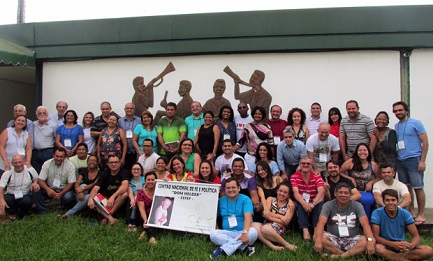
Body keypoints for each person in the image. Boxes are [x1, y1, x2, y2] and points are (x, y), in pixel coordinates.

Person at [314, 182, 376, 259]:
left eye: (346, 193)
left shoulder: (357, 205)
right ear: (335, 194)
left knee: (367, 240)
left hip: (352, 238)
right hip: (334, 238)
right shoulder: (328, 205)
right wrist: (318, 241)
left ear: (350, 195)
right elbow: (321, 223)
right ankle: (348, 255)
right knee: (317, 236)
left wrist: (370, 240)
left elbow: (365, 224)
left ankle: (339, 256)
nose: (343, 195)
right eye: (340, 192)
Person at [393, 101, 429, 225]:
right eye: (396, 111)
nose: (398, 113)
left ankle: (421, 214)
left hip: (414, 159)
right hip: (401, 159)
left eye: (400, 110)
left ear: (406, 111)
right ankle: (411, 211)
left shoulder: (416, 123)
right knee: (407, 188)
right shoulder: (397, 126)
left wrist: (423, 161)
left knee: (418, 187)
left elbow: (425, 142)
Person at [372, 189, 433, 261]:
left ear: (397, 201)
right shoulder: (377, 213)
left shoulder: (405, 213)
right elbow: (376, 236)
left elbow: (416, 236)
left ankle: (394, 258)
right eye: (387, 200)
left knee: (428, 250)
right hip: (385, 244)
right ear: (384, 202)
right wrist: (392, 244)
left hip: (401, 246)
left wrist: (411, 245)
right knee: (378, 249)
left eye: (393, 200)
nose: (390, 203)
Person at [209, 177, 258, 258]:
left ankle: (223, 250)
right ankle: (243, 247)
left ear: (239, 188)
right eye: (228, 188)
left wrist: (245, 233)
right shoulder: (220, 201)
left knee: (253, 232)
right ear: (225, 189)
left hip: (243, 232)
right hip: (227, 233)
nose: (231, 190)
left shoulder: (246, 199)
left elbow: (248, 216)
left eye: (233, 187)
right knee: (213, 234)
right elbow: (213, 216)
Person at [252, 181, 297, 251]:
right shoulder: (270, 199)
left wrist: (270, 218)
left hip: (279, 228)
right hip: (266, 225)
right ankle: (273, 246)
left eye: (285, 192)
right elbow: (266, 213)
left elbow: (286, 222)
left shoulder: (290, 205)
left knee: (265, 229)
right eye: (280, 191)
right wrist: (281, 217)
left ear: (288, 195)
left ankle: (287, 244)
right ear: (277, 191)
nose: (282, 194)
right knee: (253, 225)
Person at [340, 143, 380, 219]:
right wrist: (349, 178)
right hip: (353, 190)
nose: (362, 152)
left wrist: (371, 182)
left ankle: (366, 221)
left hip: (366, 191)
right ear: (357, 152)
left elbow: (379, 177)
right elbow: (340, 172)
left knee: (369, 200)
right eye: (360, 150)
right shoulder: (351, 162)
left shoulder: (372, 164)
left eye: (365, 150)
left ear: (368, 152)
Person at [88, 155, 129, 226]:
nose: (113, 164)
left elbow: (125, 186)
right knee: (93, 198)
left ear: (120, 163)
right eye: (111, 162)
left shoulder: (124, 172)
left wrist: (113, 197)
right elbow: (95, 188)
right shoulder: (104, 174)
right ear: (108, 164)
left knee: (125, 194)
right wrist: (90, 199)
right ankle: (110, 218)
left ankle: (107, 217)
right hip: (105, 201)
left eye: (116, 162)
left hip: (117, 200)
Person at [291, 156, 325, 241]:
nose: (305, 165)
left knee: (319, 202)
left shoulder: (317, 176)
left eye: (308, 163)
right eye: (303, 163)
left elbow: (321, 191)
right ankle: (305, 230)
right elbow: (295, 192)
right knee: (299, 202)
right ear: (300, 165)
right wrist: (304, 203)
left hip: (315, 200)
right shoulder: (294, 176)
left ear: (312, 165)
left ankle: (316, 229)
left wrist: (313, 203)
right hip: (303, 200)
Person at [33, 147, 76, 214]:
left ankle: (63, 207)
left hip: (63, 190)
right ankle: (43, 211)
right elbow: (40, 179)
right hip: (49, 188)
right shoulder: (47, 163)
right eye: (57, 156)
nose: (59, 159)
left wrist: (60, 194)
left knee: (68, 197)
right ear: (53, 156)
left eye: (61, 157)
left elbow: (71, 183)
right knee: (35, 189)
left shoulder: (70, 165)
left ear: (65, 157)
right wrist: (48, 189)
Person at [235, 106, 274, 172]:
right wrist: (230, 151)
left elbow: (271, 144)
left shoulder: (267, 127)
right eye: (255, 113)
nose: (257, 115)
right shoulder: (247, 126)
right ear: (253, 114)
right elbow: (241, 141)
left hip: (263, 157)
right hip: (251, 157)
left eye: (259, 114)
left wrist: (271, 158)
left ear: (263, 115)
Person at [0, 154, 39, 219]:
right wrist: (1, 200)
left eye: (20, 162)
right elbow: (1, 187)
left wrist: (35, 183)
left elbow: (36, 180)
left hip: (25, 194)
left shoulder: (30, 170)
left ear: (23, 162)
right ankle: (12, 213)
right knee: (6, 199)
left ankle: (22, 215)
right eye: (15, 163)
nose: (18, 164)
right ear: (12, 164)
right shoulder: (7, 172)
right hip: (11, 194)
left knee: (27, 201)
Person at [32, 106, 57, 173]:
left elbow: (56, 139)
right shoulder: (33, 124)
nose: (42, 115)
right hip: (35, 152)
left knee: (48, 171)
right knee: (36, 172)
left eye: (44, 113)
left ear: (47, 114)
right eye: (40, 113)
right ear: (37, 115)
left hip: (48, 152)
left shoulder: (53, 125)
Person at [118, 102, 142, 171]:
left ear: (134, 110)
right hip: (124, 150)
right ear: (124, 109)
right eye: (127, 108)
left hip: (137, 150)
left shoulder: (139, 120)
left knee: (137, 169)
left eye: (131, 108)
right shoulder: (120, 121)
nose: (129, 110)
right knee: (125, 170)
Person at [137, 171, 158, 245]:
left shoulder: (160, 191)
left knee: (154, 217)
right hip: (143, 215)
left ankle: (145, 232)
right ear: (145, 181)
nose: (150, 182)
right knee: (150, 219)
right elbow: (141, 208)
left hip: (156, 215)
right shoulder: (140, 193)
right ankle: (151, 237)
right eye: (148, 180)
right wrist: (145, 220)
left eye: (153, 180)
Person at [126, 163, 146, 232]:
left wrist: (136, 198)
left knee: (138, 201)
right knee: (129, 202)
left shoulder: (145, 179)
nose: (136, 171)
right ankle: (129, 222)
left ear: (141, 171)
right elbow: (130, 192)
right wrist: (132, 199)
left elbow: (144, 190)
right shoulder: (130, 181)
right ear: (131, 170)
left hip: (142, 197)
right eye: (134, 169)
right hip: (133, 196)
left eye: (138, 169)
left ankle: (135, 223)